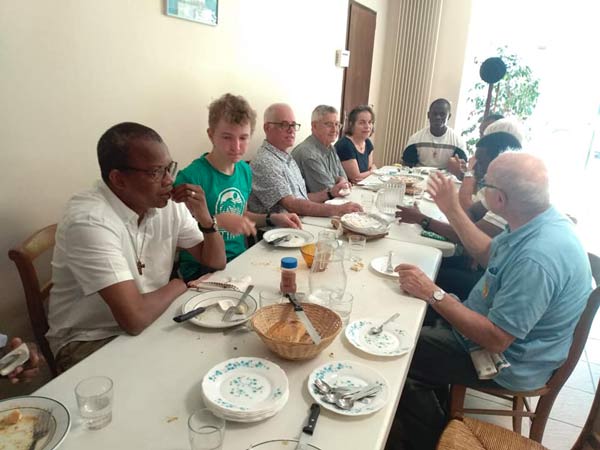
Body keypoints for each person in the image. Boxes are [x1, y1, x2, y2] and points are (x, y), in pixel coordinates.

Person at [388, 152, 592, 450]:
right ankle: (435, 400)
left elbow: (496, 339)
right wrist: (451, 209)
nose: (480, 187)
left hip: (507, 361)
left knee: (399, 353)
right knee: (409, 316)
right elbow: (488, 254)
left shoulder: (537, 258)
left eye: (485, 184)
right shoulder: (536, 221)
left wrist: (433, 292)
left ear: (499, 199)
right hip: (492, 333)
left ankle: (431, 439)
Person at [46, 122, 226, 372]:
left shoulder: (165, 203)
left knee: (215, 354)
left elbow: (216, 262)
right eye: (155, 172)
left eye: (169, 168)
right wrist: (179, 284)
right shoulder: (89, 220)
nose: (169, 180)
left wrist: (205, 219)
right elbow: (134, 318)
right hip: (90, 340)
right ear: (118, 179)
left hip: (154, 317)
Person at [175, 94, 302, 281]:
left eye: (243, 138)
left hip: (239, 261)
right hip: (202, 270)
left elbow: (240, 215)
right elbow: (176, 236)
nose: (236, 146)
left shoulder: (244, 170)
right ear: (211, 134)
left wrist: (272, 218)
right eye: (227, 137)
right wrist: (217, 221)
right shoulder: (190, 177)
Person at [397, 132, 521, 300]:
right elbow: (470, 214)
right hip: (481, 264)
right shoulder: (497, 189)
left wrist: (423, 218)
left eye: (480, 163)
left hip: (488, 281)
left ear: (498, 163)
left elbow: (464, 234)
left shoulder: (510, 199)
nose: (476, 169)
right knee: (417, 259)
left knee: (418, 271)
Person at [247, 103, 362, 217]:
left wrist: (330, 193)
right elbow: (291, 205)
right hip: (280, 227)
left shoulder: (286, 157)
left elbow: (303, 197)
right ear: (267, 128)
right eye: (284, 125)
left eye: (293, 125)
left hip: (299, 220)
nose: (291, 130)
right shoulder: (265, 162)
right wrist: (338, 210)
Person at [291, 105, 350, 193]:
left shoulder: (330, 148)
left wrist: (342, 181)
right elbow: (330, 192)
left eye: (337, 124)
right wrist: (340, 181)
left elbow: (345, 182)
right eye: (329, 124)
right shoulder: (308, 154)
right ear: (314, 126)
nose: (334, 129)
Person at [402, 98, 467, 169]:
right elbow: (407, 167)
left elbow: (462, 169)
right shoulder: (415, 140)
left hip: (446, 176)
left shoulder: (458, 142)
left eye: (442, 114)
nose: (438, 117)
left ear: (449, 116)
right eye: (434, 114)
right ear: (428, 115)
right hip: (419, 175)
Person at [447, 112, 504, 178]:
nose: (481, 139)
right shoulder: (482, 155)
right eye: (480, 133)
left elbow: (475, 182)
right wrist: (463, 172)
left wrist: (465, 172)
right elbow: (474, 179)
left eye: (486, 134)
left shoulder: (502, 163)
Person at [335, 105, 377, 183]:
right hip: (345, 187)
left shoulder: (367, 143)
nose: (367, 126)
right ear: (351, 124)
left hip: (362, 185)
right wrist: (373, 172)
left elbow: (368, 169)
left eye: (370, 122)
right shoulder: (345, 145)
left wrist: (370, 172)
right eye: (362, 123)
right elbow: (356, 177)